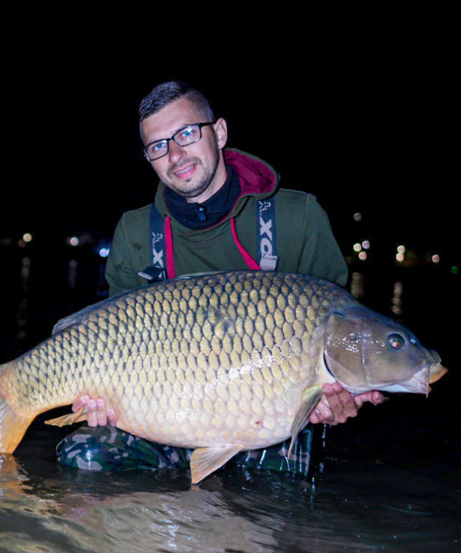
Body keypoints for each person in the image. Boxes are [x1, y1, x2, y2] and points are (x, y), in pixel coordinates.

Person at [57, 80, 383, 473]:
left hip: (270, 422)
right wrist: (102, 401)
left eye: (187, 133)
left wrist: (332, 399)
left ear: (220, 132)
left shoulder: (299, 218)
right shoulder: (135, 231)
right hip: (165, 417)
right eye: (158, 146)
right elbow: (114, 340)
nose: (175, 154)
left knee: (279, 495)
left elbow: (341, 336)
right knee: (84, 457)